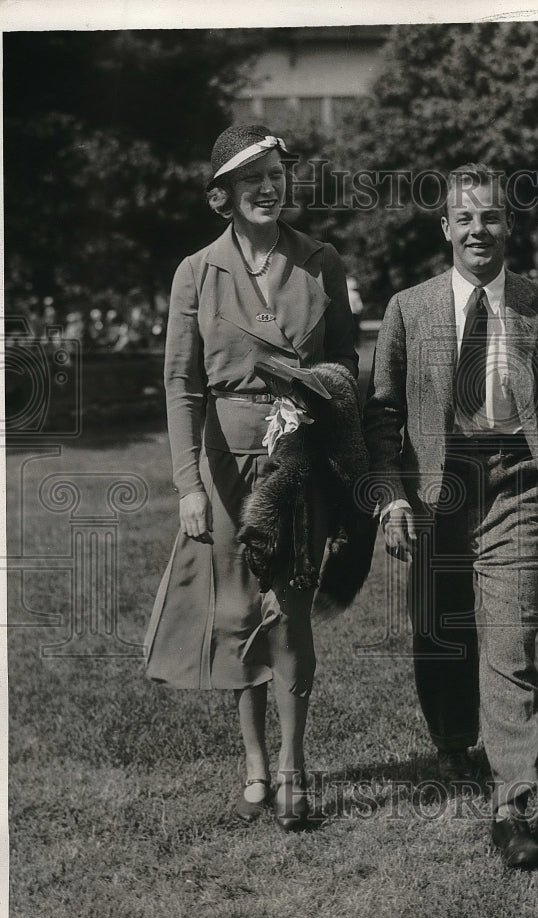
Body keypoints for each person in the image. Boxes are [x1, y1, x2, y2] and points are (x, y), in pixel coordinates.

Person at [363, 163, 538, 868]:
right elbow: (379, 417)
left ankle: (512, 803)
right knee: (440, 628)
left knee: (509, 642)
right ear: (444, 229)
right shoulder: (409, 309)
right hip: (439, 485)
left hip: (518, 486)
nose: (478, 229)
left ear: (508, 225)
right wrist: (392, 496)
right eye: (464, 218)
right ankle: (449, 742)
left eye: (490, 216)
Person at [145, 123, 358, 830]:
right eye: (251, 179)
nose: (268, 188)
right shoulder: (195, 272)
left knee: (288, 613)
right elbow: (181, 384)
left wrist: (311, 407)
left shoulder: (320, 261)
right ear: (223, 196)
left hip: (298, 460)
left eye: (276, 174)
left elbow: (345, 369)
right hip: (226, 463)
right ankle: (254, 763)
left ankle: (294, 768)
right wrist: (188, 487)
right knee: (238, 613)